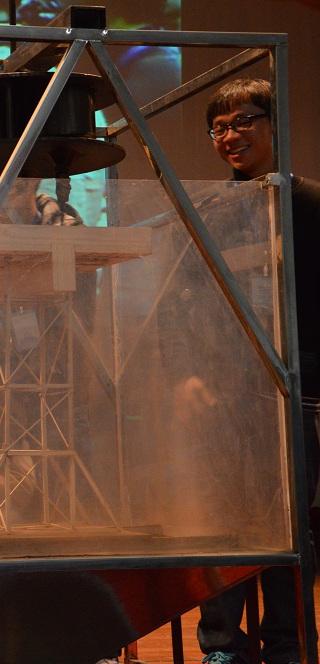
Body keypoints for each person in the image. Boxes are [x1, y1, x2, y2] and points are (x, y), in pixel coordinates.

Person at [193, 78, 320, 664]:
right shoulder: (211, 209)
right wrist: (190, 374)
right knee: (224, 522)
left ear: (274, 123)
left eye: (243, 121)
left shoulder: (310, 204)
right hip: (223, 387)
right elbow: (188, 302)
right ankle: (222, 645)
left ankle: (287, 645)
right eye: (219, 128)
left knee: (290, 524)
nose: (230, 136)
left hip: (297, 390)